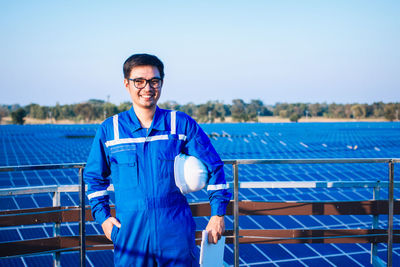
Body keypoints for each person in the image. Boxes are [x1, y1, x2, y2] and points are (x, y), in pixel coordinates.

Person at [84, 53, 231, 266]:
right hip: (130, 235)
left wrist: (218, 214)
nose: (147, 88)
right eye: (139, 81)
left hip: (175, 233)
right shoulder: (111, 129)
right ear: (126, 84)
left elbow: (214, 166)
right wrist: (104, 219)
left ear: (161, 83)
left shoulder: (179, 124)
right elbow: (95, 178)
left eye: (154, 81)